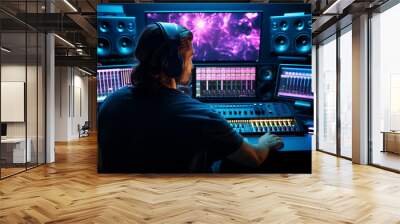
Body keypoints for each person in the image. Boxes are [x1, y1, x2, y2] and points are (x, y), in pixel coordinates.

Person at [98, 22, 284, 173]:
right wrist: (264, 143)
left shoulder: (111, 102)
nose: (192, 66)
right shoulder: (199, 115)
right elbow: (254, 158)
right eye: (190, 57)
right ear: (173, 63)